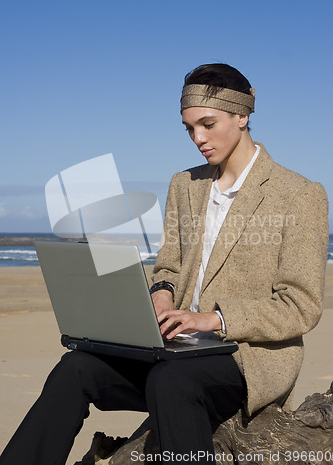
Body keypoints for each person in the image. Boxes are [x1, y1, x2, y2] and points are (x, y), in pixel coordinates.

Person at [0, 63, 329, 465]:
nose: (198, 138)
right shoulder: (184, 185)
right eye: (189, 128)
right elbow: (169, 268)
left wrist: (213, 319)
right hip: (175, 346)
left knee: (171, 380)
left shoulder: (299, 194)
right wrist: (160, 295)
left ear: (243, 116)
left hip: (246, 357)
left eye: (207, 124)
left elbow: (301, 306)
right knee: (75, 368)